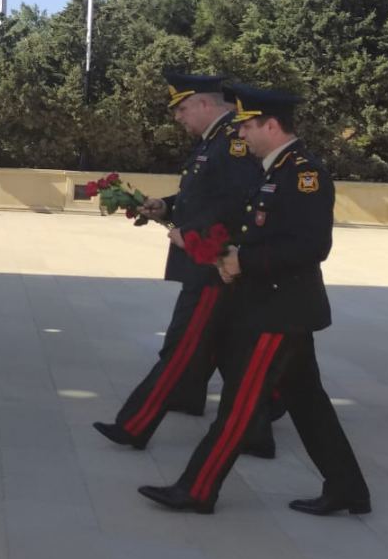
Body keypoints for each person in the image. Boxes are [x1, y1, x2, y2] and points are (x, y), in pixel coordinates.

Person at [138, 85, 371, 516]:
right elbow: (246, 229)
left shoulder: (304, 174)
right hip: (276, 307)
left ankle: (198, 489)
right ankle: (348, 489)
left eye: (248, 124)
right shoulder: (273, 169)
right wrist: (210, 249)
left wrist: (242, 261)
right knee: (309, 405)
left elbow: (310, 247)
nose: (241, 131)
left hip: (279, 310)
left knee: (239, 406)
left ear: (272, 125)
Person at [93, 71, 272, 454]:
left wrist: (193, 236)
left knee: (183, 345)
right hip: (208, 257)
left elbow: (238, 204)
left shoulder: (232, 143)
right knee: (229, 350)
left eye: (183, 108)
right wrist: (168, 206)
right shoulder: (215, 141)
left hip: (212, 262)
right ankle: (254, 432)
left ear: (206, 104)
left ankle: (135, 425)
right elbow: (205, 194)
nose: (178, 117)